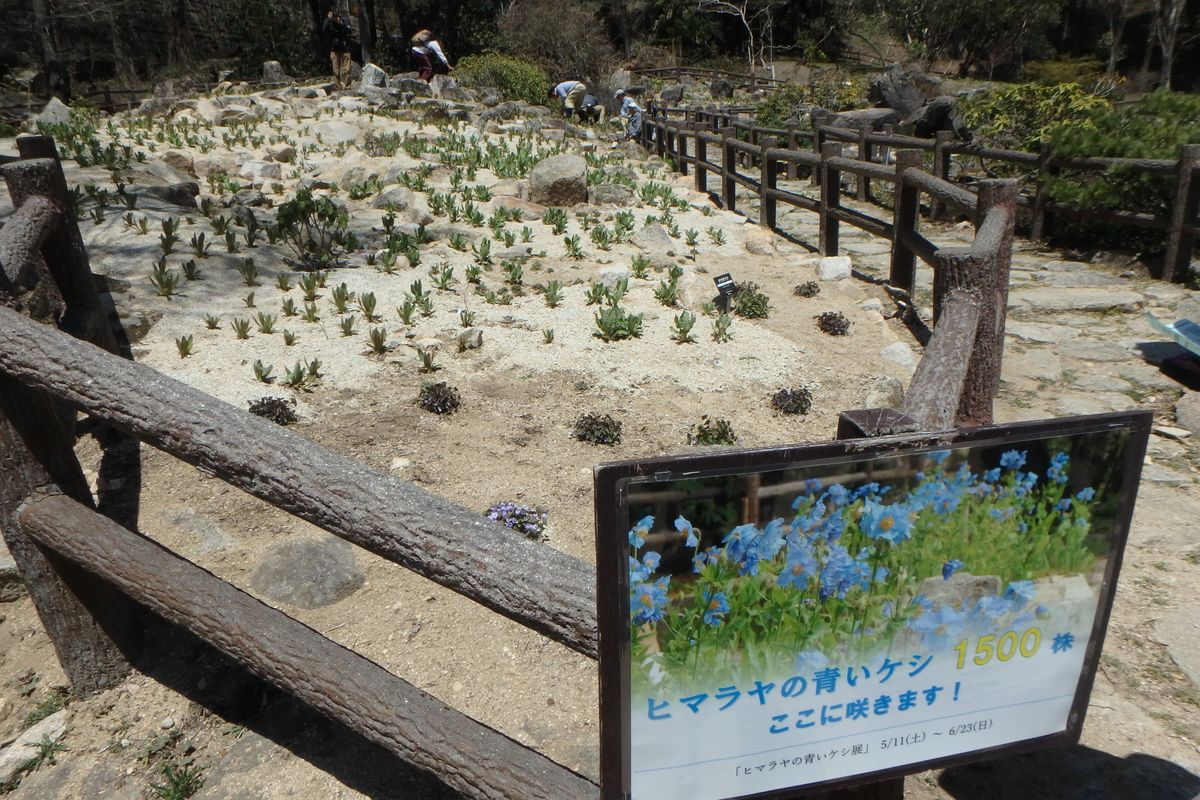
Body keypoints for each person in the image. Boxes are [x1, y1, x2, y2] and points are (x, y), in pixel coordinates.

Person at [323, 11, 354, 91]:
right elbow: (324, 29)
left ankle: (347, 86)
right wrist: (328, 19)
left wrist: (340, 23)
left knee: (346, 70)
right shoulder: (330, 24)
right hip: (334, 50)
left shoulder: (343, 22)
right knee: (336, 71)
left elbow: (349, 30)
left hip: (345, 49)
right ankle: (338, 87)